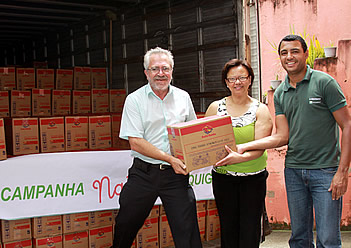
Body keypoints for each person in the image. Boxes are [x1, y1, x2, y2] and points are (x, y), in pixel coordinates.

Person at [225, 34, 351, 247]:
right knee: (299, 237)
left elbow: (347, 125)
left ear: (306, 54)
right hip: (294, 171)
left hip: (325, 172)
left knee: (328, 239)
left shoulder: (324, 83)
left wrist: (342, 172)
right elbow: (282, 136)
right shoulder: (281, 92)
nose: (289, 57)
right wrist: (245, 145)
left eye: (294, 51)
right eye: (284, 53)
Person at [112, 47, 203, 248]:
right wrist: (169, 158)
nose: (160, 73)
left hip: (175, 176)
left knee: (186, 229)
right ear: (146, 73)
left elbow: (192, 134)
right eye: (155, 69)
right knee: (125, 223)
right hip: (144, 173)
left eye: (165, 68)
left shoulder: (183, 97)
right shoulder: (134, 100)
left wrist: (197, 155)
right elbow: (135, 141)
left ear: (172, 71)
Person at [205, 59, 273, 248]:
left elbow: (259, 147)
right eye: (232, 78)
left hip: (253, 178)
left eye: (242, 77)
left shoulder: (260, 110)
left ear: (250, 80)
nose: (237, 82)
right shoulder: (215, 108)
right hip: (223, 178)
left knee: (250, 230)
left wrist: (238, 158)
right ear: (226, 82)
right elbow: (203, 140)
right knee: (228, 228)